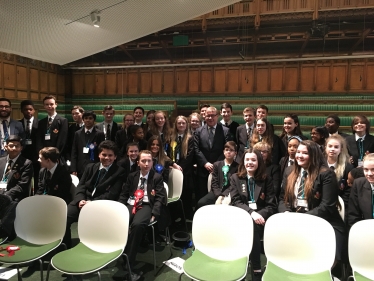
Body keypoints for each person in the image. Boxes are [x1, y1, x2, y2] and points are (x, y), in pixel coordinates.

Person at [278, 140, 345, 263]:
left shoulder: (326, 174)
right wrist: (286, 213)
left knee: (326, 258)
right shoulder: (289, 171)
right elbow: (283, 198)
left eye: (305, 153)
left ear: (313, 155)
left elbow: (327, 206)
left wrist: (301, 219)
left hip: (325, 222)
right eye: (298, 152)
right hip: (294, 220)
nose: (299, 155)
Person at [225, 148, 276, 281]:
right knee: (251, 226)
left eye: (253, 160)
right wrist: (251, 213)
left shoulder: (266, 179)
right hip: (242, 215)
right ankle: (256, 267)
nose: (250, 162)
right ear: (243, 162)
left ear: (259, 162)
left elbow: (271, 206)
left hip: (261, 218)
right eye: (247, 159)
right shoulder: (235, 178)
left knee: (253, 228)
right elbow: (235, 201)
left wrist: (258, 215)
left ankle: (254, 266)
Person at [64, 141, 126, 248]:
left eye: (110, 155)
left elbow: (112, 194)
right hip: (82, 201)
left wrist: (91, 203)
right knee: (64, 217)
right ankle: (65, 246)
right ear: (99, 155)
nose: (107, 158)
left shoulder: (119, 172)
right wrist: (80, 200)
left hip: (101, 205)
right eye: (104, 154)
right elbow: (81, 186)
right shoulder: (90, 167)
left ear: (115, 157)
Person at [118, 150, 165, 280]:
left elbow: (160, 198)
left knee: (138, 225)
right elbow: (124, 194)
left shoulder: (157, 177)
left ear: (152, 162)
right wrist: (118, 208)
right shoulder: (132, 176)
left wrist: (155, 213)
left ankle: (129, 261)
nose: (146, 163)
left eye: (149, 161)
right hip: (131, 203)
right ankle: (118, 253)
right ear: (138, 163)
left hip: (146, 205)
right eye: (143, 161)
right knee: (119, 222)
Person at [194, 106, 232, 201]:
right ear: (204, 116)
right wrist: (205, 163)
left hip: (219, 169)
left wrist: (216, 164)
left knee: (217, 196)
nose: (210, 118)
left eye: (212, 115)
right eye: (208, 116)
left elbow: (227, 149)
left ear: (217, 116)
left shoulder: (225, 131)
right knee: (201, 197)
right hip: (203, 169)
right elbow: (196, 149)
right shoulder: (198, 131)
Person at [197, 141, 238, 209]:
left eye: (231, 150)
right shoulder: (217, 164)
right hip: (216, 192)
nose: (228, 152)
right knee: (201, 203)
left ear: (235, 153)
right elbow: (214, 183)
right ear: (223, 152)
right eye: (226, 150)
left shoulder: (238, 167)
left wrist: (223, 195)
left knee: (226, 206)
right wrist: (218, 195)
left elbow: (233, 185)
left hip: (229, 193)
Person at [169, 116, 195, 219]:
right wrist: (172, 165)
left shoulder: (190, 138)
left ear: (186, 124)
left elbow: (190, 156)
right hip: (172, 170)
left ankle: (185, 218)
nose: (181, 125)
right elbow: (167, 153)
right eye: (179, 123)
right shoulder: (171, 137)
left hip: (186, 172)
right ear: (175, 124)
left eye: (183, 123)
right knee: (174, 196)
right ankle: (175, 217)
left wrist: (180, 168)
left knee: (185, 197)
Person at [71, 110, 105, 178]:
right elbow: (74, 151)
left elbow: (102, 151)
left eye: (90, 118)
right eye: (86, 118)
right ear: (83, 120)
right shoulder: (78, 133)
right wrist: (73, 169)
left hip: (94, 166)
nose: (88, 120)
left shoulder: (99, 134)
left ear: (94, 120)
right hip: (80, 167)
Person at [325, 135, 354, 212]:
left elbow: (348, 191)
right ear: (326, 148)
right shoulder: (318, 166)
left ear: (341, 150)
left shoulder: (348, 168)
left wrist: (339, 204)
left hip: (340, 206)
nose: (332, 149)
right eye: (330, 146)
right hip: (321, 205)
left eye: (336, 147)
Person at [36, 95, 68, 164]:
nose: (49, 106)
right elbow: (39, 139)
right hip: (44, 157)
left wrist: (54, 154)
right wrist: (42, 153)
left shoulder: (63, 121)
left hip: (56, 156)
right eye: (47, 104)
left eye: (51, 104)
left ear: (56, 105)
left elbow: (62, 141)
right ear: (44, 106)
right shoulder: (41, 122)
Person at [0, 135, 33, 201]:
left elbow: (22, 185)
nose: (14, 148)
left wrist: (5, 196)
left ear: (21, 148)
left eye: (17, 146)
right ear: (6, 147)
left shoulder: (26, 163)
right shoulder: (1, 161)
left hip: (14, 197)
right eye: (11, 146)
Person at [348, 153, 374, 228]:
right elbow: (353, 215)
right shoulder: (358, 184)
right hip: (365, 230)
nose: (369, 174)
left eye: (373, 169)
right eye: (366, 169)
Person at [19, 100, 39, 191]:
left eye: (31, 109)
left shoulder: (40, 123)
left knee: (38, 179)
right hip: (22, 157)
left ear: (34, 110)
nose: (28, 111)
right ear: (21, 111)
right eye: (25, 109)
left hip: (37, 157)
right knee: (23, 180)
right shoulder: (18, 124)